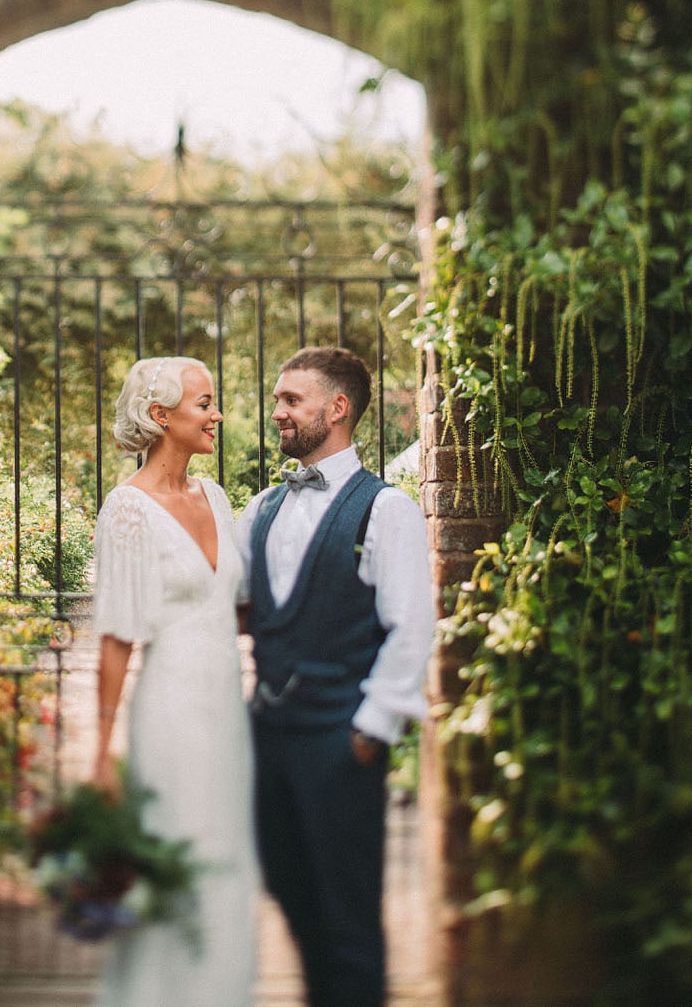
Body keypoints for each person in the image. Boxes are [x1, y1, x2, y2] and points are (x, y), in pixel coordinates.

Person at [236, 346, 434, 1007]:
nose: (278, 412)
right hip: (269, 741)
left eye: (292, 399)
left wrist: (368, 731)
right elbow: (236, 602)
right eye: (277, 400)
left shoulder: (386, 509)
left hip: (339, 744)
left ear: (338, 407)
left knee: (348, 918)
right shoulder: (261, 508)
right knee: (294, 899)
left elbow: (411, 628)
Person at [89, 355, 259, 1007]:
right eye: (204, 403)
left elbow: (238, 603)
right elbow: (115, 637)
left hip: (225, 709)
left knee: (225, 864)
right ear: (161, 417)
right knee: (172, 860)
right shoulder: (126, 510)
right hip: (169, 711)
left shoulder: (217, 496)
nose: (217, 414)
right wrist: (101, 752)